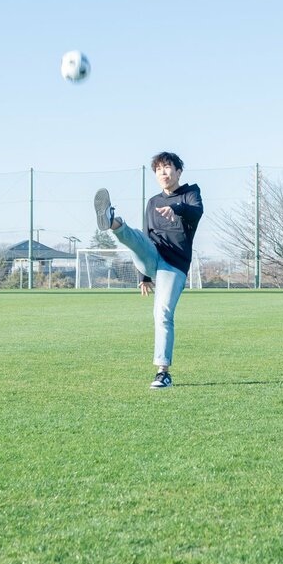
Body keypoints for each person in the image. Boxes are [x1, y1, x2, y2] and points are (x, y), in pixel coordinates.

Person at [94, 152, 203, 389]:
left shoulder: (191, 193)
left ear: (178, 172)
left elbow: (196, 212)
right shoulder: (153, 202)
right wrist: (143, 277)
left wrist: (176, 208)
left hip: (174, 265)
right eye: (158, 169)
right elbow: (146, 234)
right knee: (134, 238)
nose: (163, 172)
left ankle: (163, 372)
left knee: (162, 313)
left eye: (167, 168)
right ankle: (112, 220)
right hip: (152, 255)